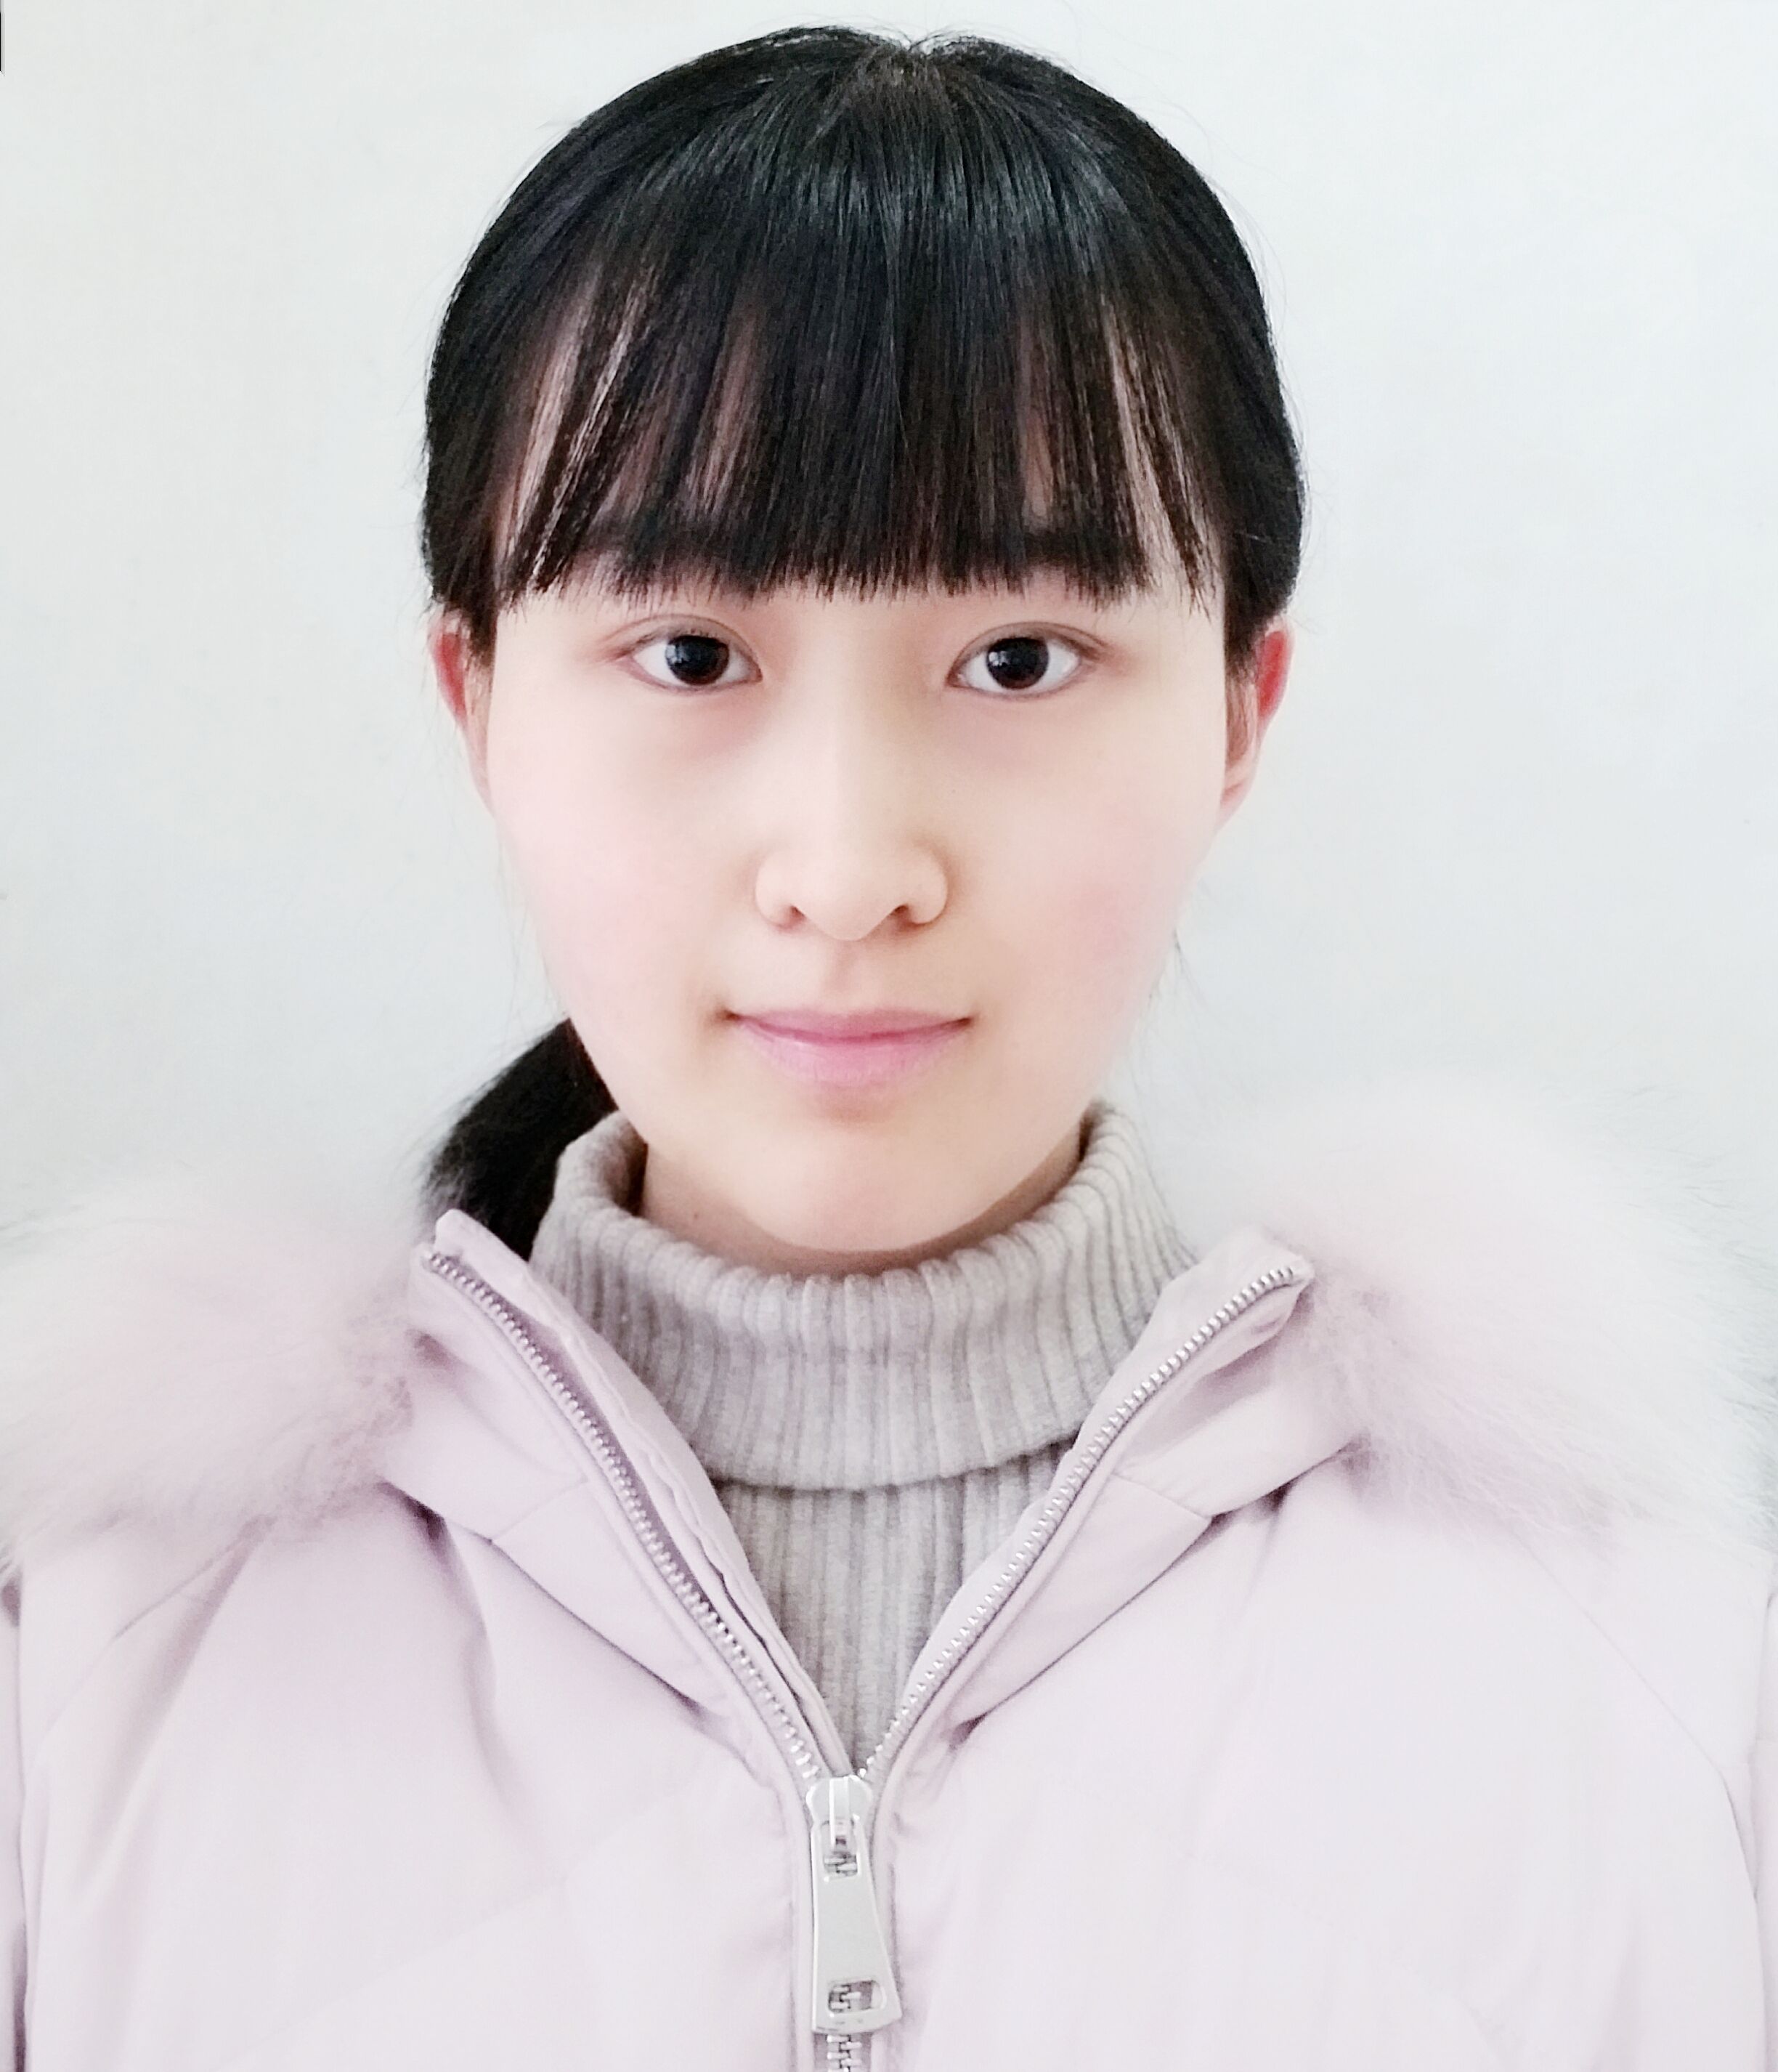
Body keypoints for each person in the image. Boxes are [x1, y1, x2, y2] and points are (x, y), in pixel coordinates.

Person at [1, 23, 1775, 2069]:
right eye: (690, 653)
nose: (847, 870)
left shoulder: (1664, 1695)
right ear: (476, 703)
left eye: (1019, 658)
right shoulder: (88, 1687)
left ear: (1239, 711)